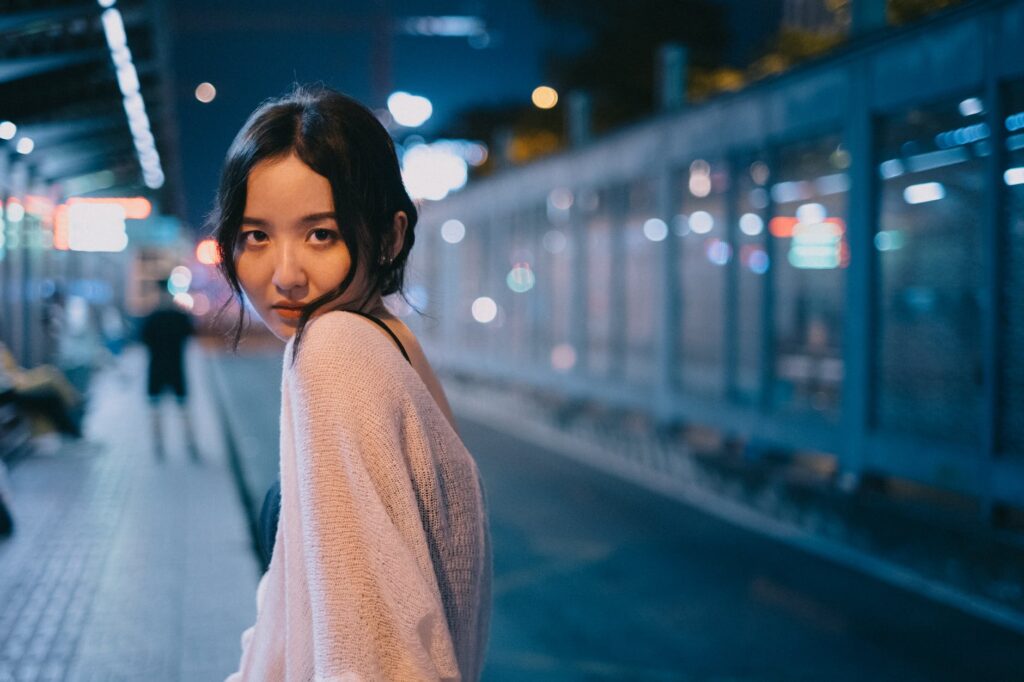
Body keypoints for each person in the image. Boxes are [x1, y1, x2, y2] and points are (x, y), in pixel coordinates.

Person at [211, 84, 491, 681]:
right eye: (257, 236)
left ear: (389, 236)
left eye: (321, 234)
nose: (285, 276)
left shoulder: (334, 347)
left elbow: (375, 653)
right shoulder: (394, 343)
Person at [140, 282, 199, 461]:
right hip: (176, 369)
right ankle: (190, 444)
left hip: (156, 369)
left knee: (155, 409)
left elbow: (142, 339)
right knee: (183, 408)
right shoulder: (180, 317)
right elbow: (191, 334)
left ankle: (158, 445)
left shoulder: (151, 317)